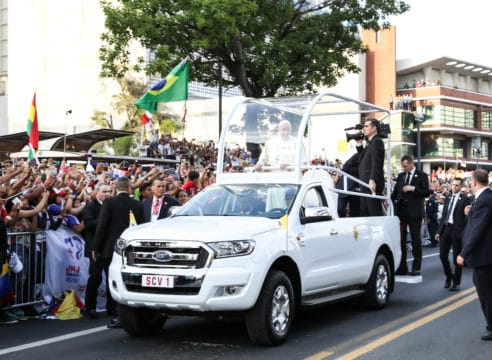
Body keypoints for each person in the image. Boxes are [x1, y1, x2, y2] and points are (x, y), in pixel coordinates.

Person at [92, 176, 145, 329]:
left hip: (112, 248)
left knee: (113, 281)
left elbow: (102, 226)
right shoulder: (137, 204)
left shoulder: (109, 202)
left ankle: (116, 312)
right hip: (132, 250)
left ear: (117, 188)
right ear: (130, 188)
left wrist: (96, 247)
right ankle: (128, 312)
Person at [457, 169, 492, 341]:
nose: (469, 184)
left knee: (486, 294)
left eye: (470, 181)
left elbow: (478, 229)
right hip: (485, 255)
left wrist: (464, 253)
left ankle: (491, 327)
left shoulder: (485, 199)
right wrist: (469, 211)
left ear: (474, 182)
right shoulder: (484, 198)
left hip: (484, 256)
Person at [391, 155, 430, 275]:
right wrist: (389, 200)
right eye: (403, 166)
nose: (404, 168)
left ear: (412, 163)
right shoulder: (401, 176)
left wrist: (412, 188)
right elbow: (396, 191)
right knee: (401, 240)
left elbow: (426, 192)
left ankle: (416, 267)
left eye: (406, 166)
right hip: (401, 211)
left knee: (415, 239)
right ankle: (402, 267)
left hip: (415, 212)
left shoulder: (422, 175)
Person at [82, 182, 111, 319]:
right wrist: (104, 221)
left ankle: (112, 307)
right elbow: (89, 224)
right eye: (104, 191)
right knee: (95, 277)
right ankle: (89, 307)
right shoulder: (90, 206)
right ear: (97, 192)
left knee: (111, 277)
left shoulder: (111, 206)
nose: (107, 194)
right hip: (95, 247)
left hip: (108, 247)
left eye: (109, 191)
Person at [435, 178, 470, 291]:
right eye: (453, 185)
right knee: (442, 255)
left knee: (456, 258)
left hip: (457, 230)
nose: (454, 187)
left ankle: (456, 282)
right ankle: (449, 276)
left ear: (461, 186)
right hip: (446, 228)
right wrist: (439, 232)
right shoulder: (448, 197)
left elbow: (467, 217)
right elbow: (445, 215)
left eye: (457, 185)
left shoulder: (465, 199)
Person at [357, 118, 385, 216]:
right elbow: (361, 158)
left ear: (374, 128)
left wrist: (372, 179)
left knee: (374, 213)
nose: (364, 129)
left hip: (371, 184)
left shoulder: (377, 141)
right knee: (365, 213)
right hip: (365, 183)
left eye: (366, 126)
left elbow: (376, 163)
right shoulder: (371, 142)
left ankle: (378, 231)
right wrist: (359, 143)